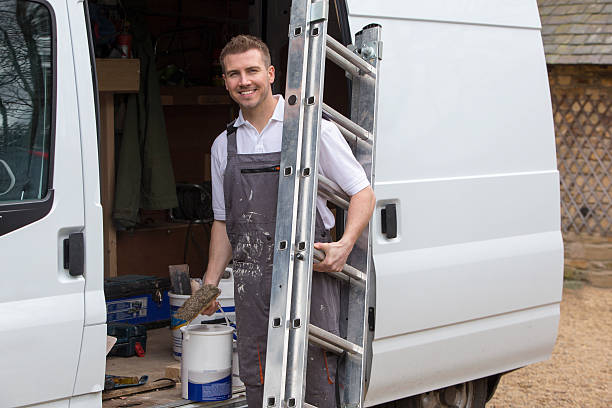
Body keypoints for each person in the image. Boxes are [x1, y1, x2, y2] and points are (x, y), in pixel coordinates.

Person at [201, 34, 375, 408]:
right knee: (259, 379)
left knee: (314, 381)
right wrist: (210, 283)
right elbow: (222, 222)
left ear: (271, 73)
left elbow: (363, 193)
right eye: (234, 74)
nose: (243, 81)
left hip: (306, 280)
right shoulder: (223, 145)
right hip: (252, 291)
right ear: (225, 81)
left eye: (252, 71)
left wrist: (344, 245)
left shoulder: (313, 130)